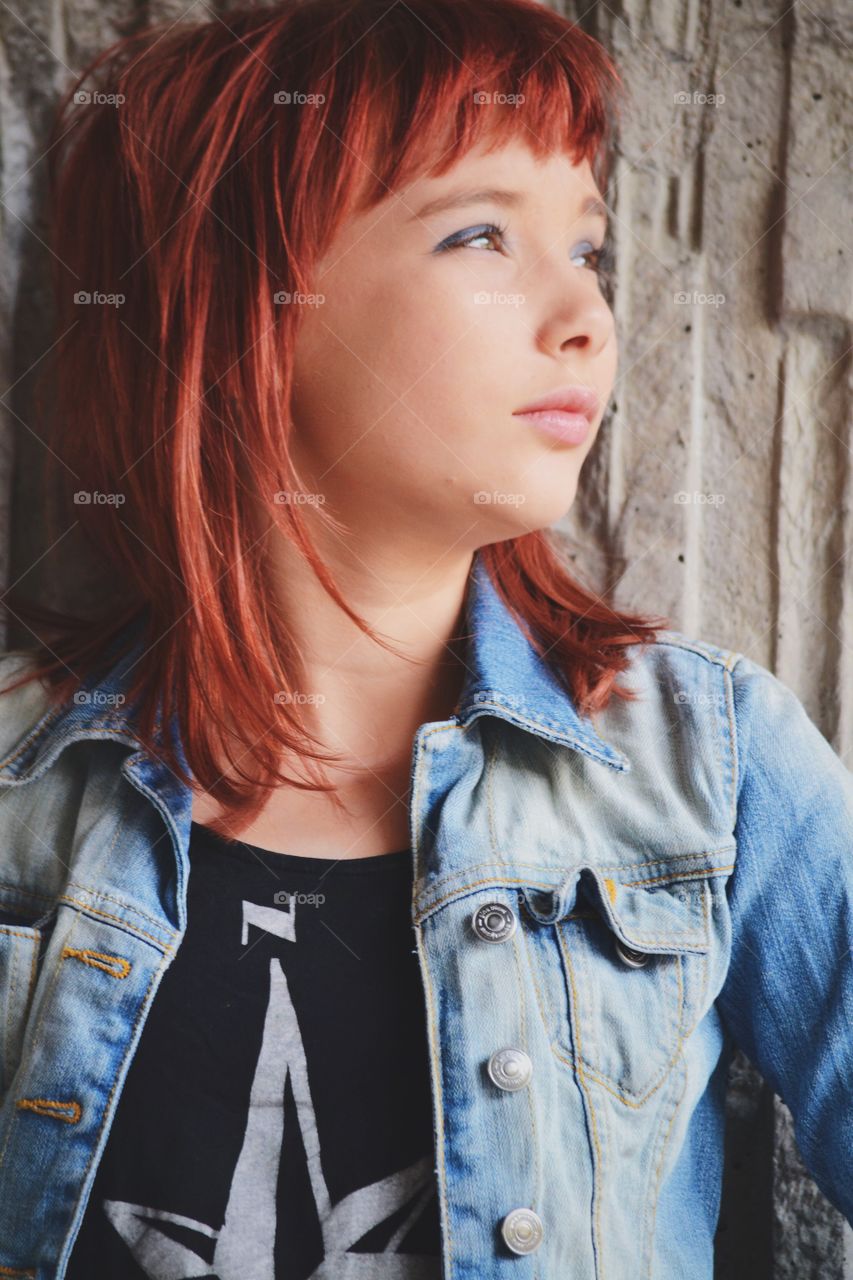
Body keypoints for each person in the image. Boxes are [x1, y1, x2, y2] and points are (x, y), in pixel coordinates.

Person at [0, 0, 850, 1276]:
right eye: (480, 233)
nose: (586, 318)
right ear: (250, 303)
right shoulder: (20, 776)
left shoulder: (713, 767)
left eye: (589, 248)